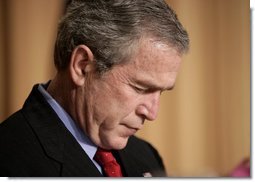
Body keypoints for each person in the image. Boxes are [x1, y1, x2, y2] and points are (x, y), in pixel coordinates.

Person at [0, 0, 189, 177]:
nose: (152, 113)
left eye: (161, 91)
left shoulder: (147, 157)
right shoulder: (9, 161)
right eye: (140, 88)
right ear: (82, 66)